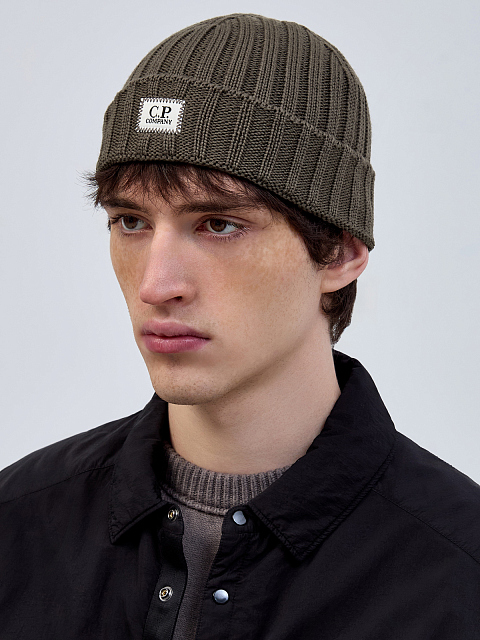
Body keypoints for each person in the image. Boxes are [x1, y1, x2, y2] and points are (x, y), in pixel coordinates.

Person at [1, 13, 479, 640]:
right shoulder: (18, 527)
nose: (156, 285)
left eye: (218, 225)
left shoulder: (458, 574)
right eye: (131, 222)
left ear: (339, 252)